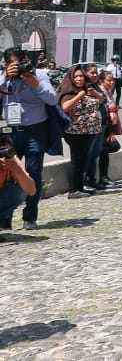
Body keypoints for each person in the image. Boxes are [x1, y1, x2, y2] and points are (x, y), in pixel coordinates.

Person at [0, 50, 60, 230]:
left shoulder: (39, 74)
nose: (20, 67)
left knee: (33, 172)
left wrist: (36, 85)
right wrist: (4, 77)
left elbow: (52, 99)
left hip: (36, 130)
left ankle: (30, 217)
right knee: (7, 174)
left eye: (23, 62)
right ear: (6, 64)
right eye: (15, 63)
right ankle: (4, 219)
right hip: (11, 132)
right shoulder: (3, 78)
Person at [57, 66, 103, 199]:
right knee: (76, 161)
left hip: (90, 131)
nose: (79, 79)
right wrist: (80, 95)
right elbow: (65, 106)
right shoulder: (69, 92)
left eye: (81, 76)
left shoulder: (89, 89)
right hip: (75, 132)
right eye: (76, 76)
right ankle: (73, 190)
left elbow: (101, 100)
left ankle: (80, 186)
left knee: (84, 160)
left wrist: (95, 94)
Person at [0, 131, 37, 242]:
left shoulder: (9, 159)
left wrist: (15, 168)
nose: (4, 151)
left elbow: (31, 190)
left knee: (19, 190)